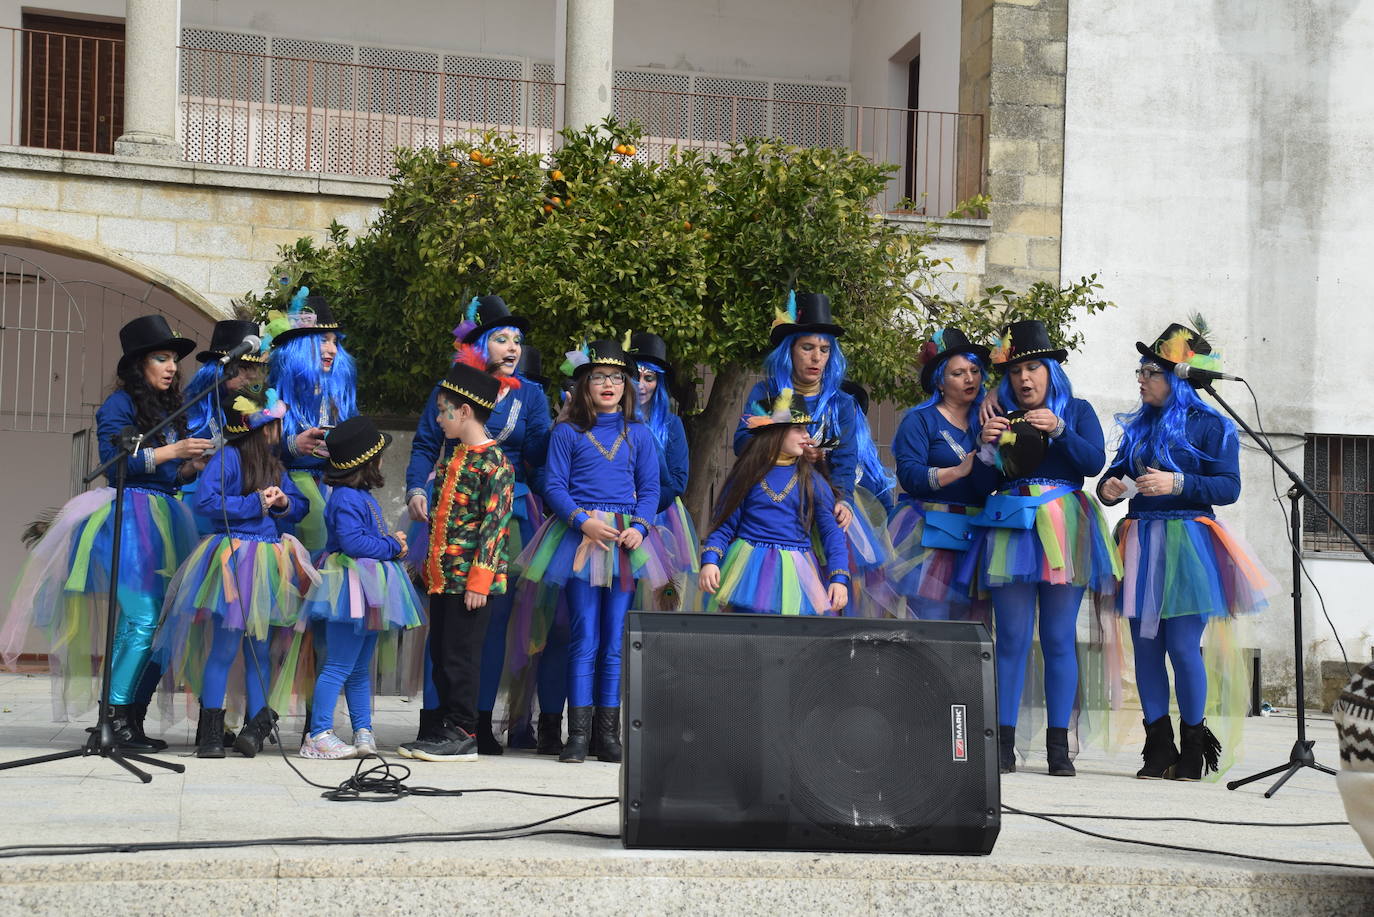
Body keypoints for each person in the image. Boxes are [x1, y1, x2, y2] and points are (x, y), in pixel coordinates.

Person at [2, 315, 208, 750]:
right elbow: (116, 463)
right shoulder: (117, 407)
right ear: (139, 364)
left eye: (174, 359)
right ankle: (111, 720)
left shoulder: (169, 408)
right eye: (161, 357)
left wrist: (189, 465)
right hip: (131, 515)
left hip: (166, 515)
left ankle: (124, 717)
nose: (171, 367)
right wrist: (172, 450)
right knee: (142, 618)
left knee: (149, 623)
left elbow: (165, 472)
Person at [1097, 321, 1275, 780]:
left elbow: (1229, 486)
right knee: (1146, 645)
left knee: (1181, 644)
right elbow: (1109, 479)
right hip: (1141, 539)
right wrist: (1112, 489)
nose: (1140, 379)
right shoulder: (1139, 425)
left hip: (1189, 543)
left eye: (1149, 371)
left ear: (1178, 376)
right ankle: (1158, 747)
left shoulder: (1212, 425)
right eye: (1140, 370)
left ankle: (1194, 748)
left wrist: (1178, 482)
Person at [403, 295, 554, 756]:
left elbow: (543, 458)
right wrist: (414, 489)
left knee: (486, 622)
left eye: (517, 340)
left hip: (506, 509)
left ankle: (476, 722)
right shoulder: (449, 390)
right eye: (502, 338)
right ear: (480, 342)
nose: (511, 347)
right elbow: (426, 443)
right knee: (443, 626)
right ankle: (438, 719)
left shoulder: (531, 395)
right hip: (448, 503)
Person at [975, 320, 1121, 777]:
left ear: (1051, 371)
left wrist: (1059, 429)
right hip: (1013, 526)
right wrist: (983, 448)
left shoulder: (1075, 410)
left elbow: (1094, 463)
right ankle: (1002, 743)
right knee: (1012, 640)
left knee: (1060, 638)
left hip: (1065, 525)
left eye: (1034, 367)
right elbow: (981, 486)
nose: (1025, 378)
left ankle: (1059, 746)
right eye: (1017, 371)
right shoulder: (999, 417)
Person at [512, 338, 669, 764]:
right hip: (580, 536)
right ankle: (577, 735)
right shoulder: (566, 432)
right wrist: (582, 521)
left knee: (614, 641)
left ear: (626, 386)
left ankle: (608, 736)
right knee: (584, 634)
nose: (608, 384)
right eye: (598, 377)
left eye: (616, 378)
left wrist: (640, 525)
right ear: (584, 384)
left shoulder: (638, 433)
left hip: (622, 541)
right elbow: (553, 485)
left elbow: (651, 488)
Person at [154, 390, 318, 758]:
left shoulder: (276, 465)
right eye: (276, 426)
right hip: (235, 561)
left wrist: (283, 502)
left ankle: (253, 731)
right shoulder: (227, 458)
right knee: (225, 648)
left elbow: (300, 507)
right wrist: (254, 502)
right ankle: (212, 733)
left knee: (260, 651)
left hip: (269, 562)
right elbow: (206, 502)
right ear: (263, 429)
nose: (280, 432)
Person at [398, 363, 514, 763]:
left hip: (470, 584)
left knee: (461, 657)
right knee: (442, 655)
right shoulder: (453, 458)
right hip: (444, 580)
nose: (438, 417)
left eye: (444, 410)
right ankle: (444, 727)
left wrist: (480, 581)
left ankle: (464, 731)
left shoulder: (494, 462)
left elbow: (495, 527)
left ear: (465, 412)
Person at [298, 416, 424, 759]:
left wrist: (386, 543)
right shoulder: (345, 499)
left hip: (366, 586)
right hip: (348, 588)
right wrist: (391, 547)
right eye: (379, 454)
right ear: (368, 461)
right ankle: (319, 733)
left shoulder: (359, 495)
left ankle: (362, 729)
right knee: (338, 663)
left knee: (358, 666)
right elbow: (354, 543)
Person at [700, 390, 850, 616]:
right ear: (776, 432)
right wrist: (710, 560)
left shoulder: (814, 482)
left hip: (798, 575)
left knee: (789, 644)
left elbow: (832, 534)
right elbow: (724, 524)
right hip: (746, 572)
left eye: (807, 428)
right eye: (798, 428)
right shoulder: (746, 475)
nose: (806, 435)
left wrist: (839, 578)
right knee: (748, 641)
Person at [888, 329, 996, 621]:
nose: (970, 379)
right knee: (932, 626)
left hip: (977, 530)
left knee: (975, 630)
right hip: (931, 533)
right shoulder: (920, 419)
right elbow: (909, 476)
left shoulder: (988, 419)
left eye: (975, 371)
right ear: (940, 380)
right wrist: (957, 471)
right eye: (958, 373)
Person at [734, 292, 859, 533]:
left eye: (824, 350)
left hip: (824, 508)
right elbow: (742, 443)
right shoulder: (768, 392)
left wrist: (845, 501)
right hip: (771, 505)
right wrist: (789, 446)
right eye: (808, 347)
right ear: (789, 350)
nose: (816, 358)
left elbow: (846, 460)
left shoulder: (841, 403)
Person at [264, 287, 357, 553]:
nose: (331, 350)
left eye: (334, 341)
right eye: (322, 341)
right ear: (300, 346)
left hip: (333, 490)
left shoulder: (339, 395)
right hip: (286, 493)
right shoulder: (273, 392)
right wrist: (293, 445)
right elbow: (249, 449)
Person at [629, 331, 698, 611]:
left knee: (659, 595)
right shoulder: (612, 420)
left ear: (659, 383)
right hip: (616, 511)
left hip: (662, 518)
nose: (642, 385)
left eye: (650, 378)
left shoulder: (671, 425)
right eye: (637, 376)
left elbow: (679, 480)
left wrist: (643, 500)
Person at [836, 380, 903, 619]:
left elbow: (886, 508)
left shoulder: (870, 468)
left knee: (859, 605)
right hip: (824, 546)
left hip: (865, 560)